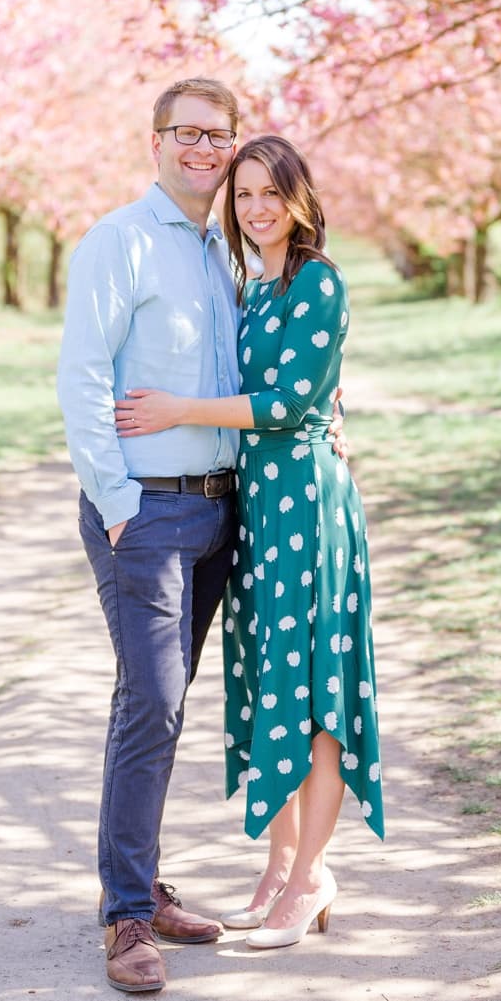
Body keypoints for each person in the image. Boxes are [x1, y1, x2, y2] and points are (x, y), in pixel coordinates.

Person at [115, 134, 384, 951]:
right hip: (260, 511)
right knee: (276, 689)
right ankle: (278, 869)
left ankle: (312, 877)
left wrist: (176, 411)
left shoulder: (318, 281)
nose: (257, 207)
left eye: (273, 192)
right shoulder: (253, 287)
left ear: (300, 198)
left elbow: (292, 400)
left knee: (317, 694)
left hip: (308, 507)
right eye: (245, 195)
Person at [58, 77, 249, 993]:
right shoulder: (119, 241)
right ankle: (127, 915)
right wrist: (116, 496)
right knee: (155, 699)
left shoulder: (223, 253)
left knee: (156, 701)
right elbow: (83, 375)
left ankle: (141, 881)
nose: (205, 149)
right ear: (156, 142)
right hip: (146, 511)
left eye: (219, 135)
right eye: (188, 133)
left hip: (215, 508)